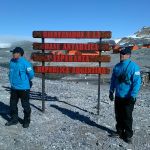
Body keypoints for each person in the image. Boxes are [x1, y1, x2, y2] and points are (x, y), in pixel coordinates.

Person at [109, 47, 141, 143]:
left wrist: (133, 95)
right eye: (121, 53)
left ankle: (127, 135)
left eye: (124, 54)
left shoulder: (134, 67)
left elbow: (137, 82)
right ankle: (119, 131)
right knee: (118, 115)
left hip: (129, 97)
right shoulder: (117, 66)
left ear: (129, 55)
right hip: (118, 96)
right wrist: (111, 91)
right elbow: (113, 80)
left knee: (127, 116)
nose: (121, 55)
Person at [5, 47, 34, 128]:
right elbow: (10, 72)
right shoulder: (12, 61)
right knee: (12, 104)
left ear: (19, 54)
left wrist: (26, 81)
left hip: (23, 88)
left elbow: (31, 74)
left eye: (14, 52)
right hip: (14, 87)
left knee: (25, 105)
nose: (13, 54)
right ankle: (14, 119)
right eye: (13, 52)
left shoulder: (25, 63)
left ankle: (26, 121)